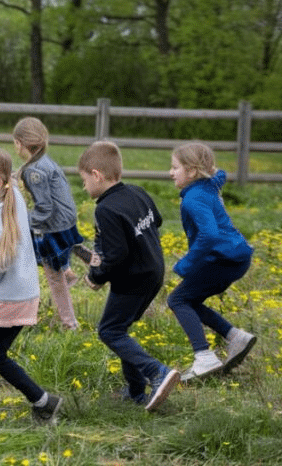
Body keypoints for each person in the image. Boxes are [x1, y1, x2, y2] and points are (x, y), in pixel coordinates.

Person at [0, 147, 62, 428]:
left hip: (4, 296)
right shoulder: (13, 195)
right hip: (27, 295)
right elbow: (12, 180)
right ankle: (44, 402)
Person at [77, 141, 179, 411]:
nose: (83, 186)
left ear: (96, 174)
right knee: (120, 330)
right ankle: (135, 392)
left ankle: (157, 372)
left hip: (132, 279)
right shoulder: (137, 192)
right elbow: (155, 220)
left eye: (84, 179)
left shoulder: (105, 209)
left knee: (109, 331)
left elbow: (116, 255)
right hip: (153, 271)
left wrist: (96, 277)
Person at [167, 143, 257, 381]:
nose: (170, 172)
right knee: (190, 299)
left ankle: (204, 358)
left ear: (192, 172)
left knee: (177, 299)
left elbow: (209, 235)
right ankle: (236, 337)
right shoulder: (206, 186)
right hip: (236, 257)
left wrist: (185, 264)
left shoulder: (193, 198)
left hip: (224, 260)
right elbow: (217, 178)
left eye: (175, 167)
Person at [13, 117, 84, 330]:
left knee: (53, 278)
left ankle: (70, 325)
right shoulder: (42, 160)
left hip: (54, 226)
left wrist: (20, 221)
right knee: (48, 254)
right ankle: (69, 268)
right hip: (65, 221)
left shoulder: (34, 171)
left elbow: (44, 209)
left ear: (19, 143)